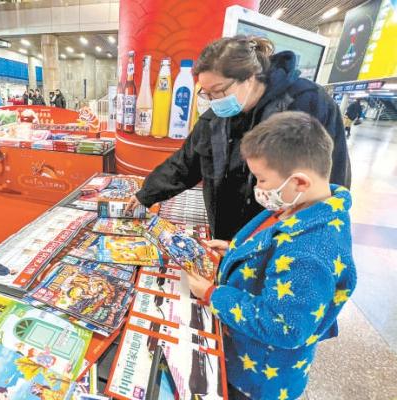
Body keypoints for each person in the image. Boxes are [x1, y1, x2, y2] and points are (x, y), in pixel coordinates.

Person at [188, 111, 356, 400]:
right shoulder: (302, 204)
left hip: (256, 378)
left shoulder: (312, 251)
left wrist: (212, 294)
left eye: (262, 179)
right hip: (241, 348)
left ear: (300, 182)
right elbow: (274, 245)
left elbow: (286, 326)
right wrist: (237, 250)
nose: (258, 188)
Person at [126, 35, 351, 240]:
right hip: (228, 236)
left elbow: (330, 177)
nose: (214, 100)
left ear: (250, 77)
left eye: (219, 90)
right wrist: (146, 194)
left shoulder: (306, 103)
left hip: (282, 238)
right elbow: (185, 163)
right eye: (207, 93)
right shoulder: (215, 117)